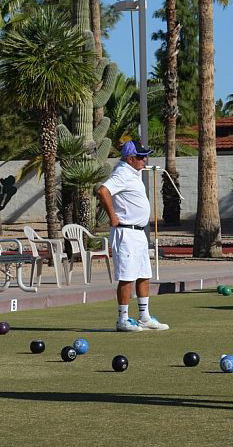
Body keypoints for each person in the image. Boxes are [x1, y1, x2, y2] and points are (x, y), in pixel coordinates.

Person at [96, 140, 168, 332]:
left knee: (144, 274)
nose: (145, 160)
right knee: (127, 276)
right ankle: (123, 319)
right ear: (130, 158)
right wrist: (112, 216)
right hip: (126, 232)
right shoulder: (122, 173)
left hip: (139, 232)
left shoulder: (134, 173)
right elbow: (103, 191)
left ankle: (144, 317)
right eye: (141, 157)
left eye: (145, 156)